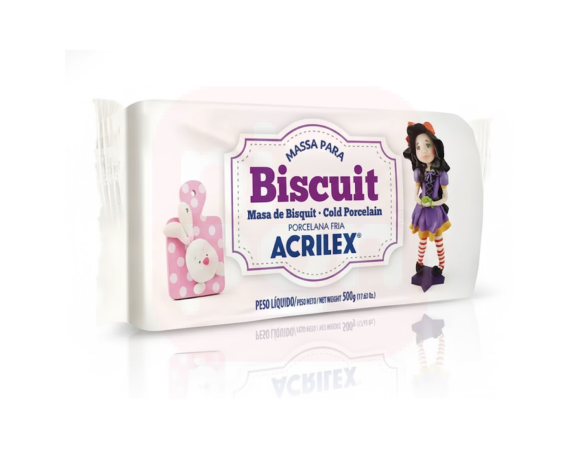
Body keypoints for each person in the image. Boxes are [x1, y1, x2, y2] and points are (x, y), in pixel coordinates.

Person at [403, 122, 451, 276]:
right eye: (418, 147)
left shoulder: (441, 174)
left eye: (427, 145)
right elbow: (415, 195)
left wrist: (433, 203)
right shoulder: (418, 172)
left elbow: (445, 197)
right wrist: (421, 202)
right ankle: (419, 263)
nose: (423, 151)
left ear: (435, 147)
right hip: (423, 211)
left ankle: (441, 265)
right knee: (422, 239)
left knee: (438, 239)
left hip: (435, 212)